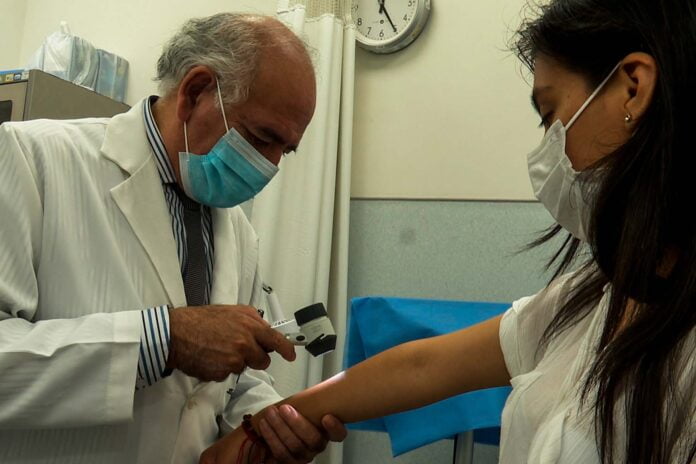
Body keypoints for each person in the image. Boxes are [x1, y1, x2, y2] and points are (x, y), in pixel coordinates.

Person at [202, 1, 696, 463]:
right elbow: (422, 367)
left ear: (633, 87)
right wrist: (266, 426)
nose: (548, 146)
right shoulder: (591, 298)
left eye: (550, 115)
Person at [0, 13, 346, 464]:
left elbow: (224, 383)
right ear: (195, 92)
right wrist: (164, 340)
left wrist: (266, 422)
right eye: (263, 138)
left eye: (286, 149)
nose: (271, 165)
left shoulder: (237, 231)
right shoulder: (32, 158)